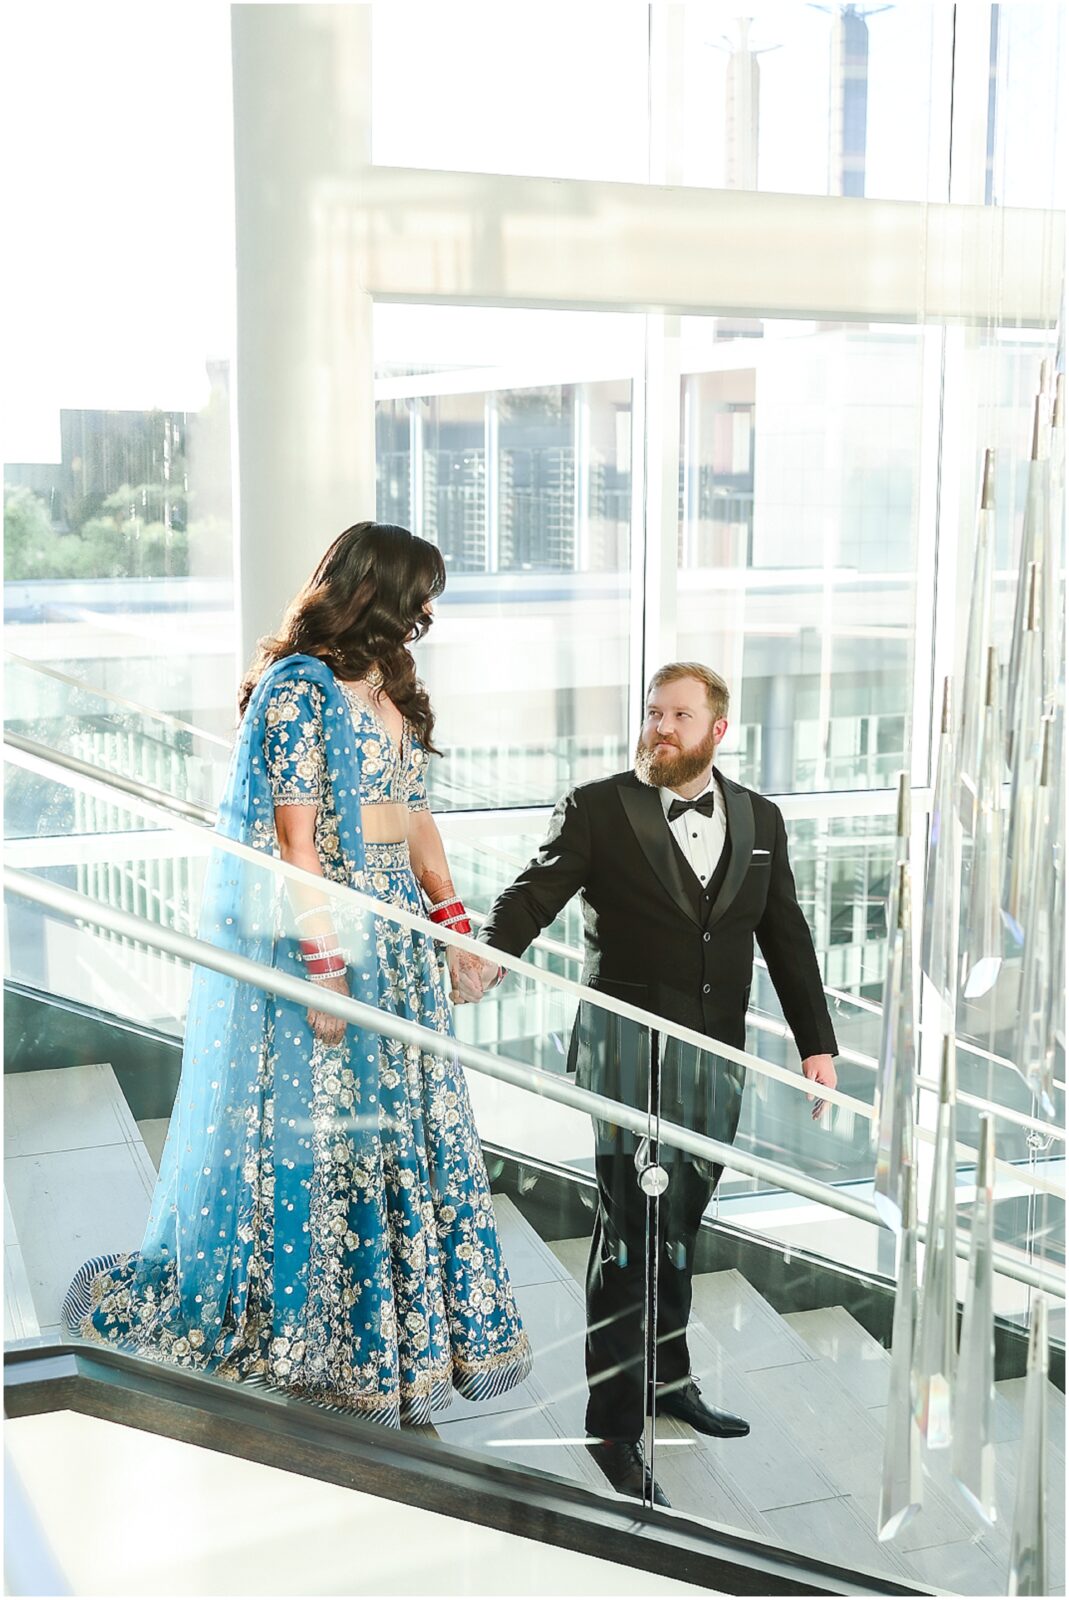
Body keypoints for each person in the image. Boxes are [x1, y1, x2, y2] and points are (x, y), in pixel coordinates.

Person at [65, 521, 531, 1425]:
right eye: (419, 592)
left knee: (404, 1135)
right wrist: (324, 969)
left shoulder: (392, 682)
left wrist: (454, 928)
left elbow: (414, 815)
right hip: (332, 933)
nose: (430, 610)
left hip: (396, 935)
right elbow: (293, 842)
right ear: (377, 589)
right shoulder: (297, 691)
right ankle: (324, 1355)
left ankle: (401, 1358)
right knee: (330, 1146)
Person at [470, 663, 838, 1504]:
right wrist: (489, 956)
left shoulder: (760, 818)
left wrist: (816, 1046)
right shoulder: (599, 807)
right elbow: (535, 894)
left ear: (717, 729)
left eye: (678, 714)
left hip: (716, 1062)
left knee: (681, 1221)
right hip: (626, 1060)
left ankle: (669, 1382)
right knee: (629, 1230)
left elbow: (786, 936)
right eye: (652, 711)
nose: (659, 726)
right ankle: (612, 1424)